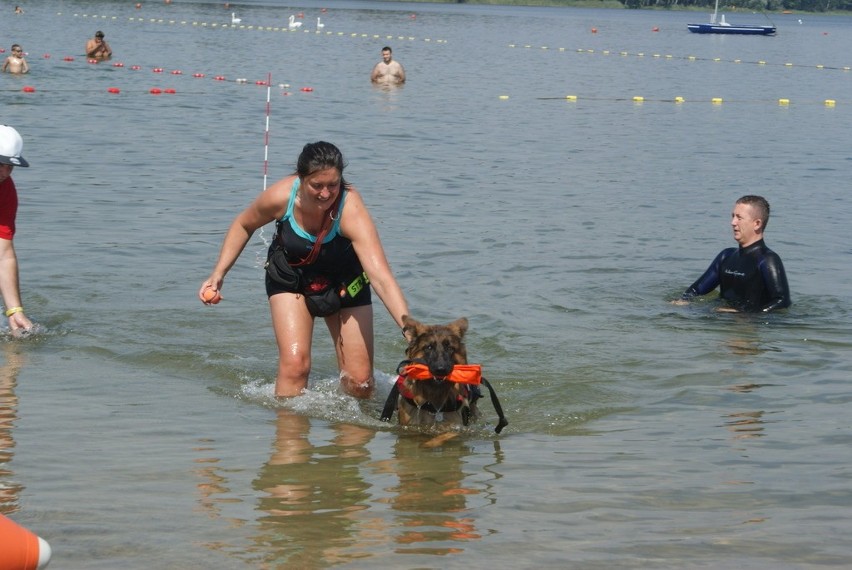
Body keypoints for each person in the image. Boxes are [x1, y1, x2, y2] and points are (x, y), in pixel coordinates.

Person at [199, 142, 410, 399]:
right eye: (317, 186)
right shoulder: (281, 196)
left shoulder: (351, 209)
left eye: (333, 185)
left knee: (361, 383)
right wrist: (219, 273)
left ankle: (353, 436)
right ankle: (289, 433)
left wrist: (409, 329)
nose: (325, 193)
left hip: (344, 281)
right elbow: (244, 225)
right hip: (291, 278)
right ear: (301, 178)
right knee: (295, 367)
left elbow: (381, 277)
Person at [674, 195, 790, 313]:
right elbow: (696, 290)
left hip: (750, 325)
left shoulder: (767, 259)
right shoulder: (726, 256)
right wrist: (682, 300)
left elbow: (782, 302)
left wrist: (744, 315)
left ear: (757, 224)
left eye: (739, 218)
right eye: (733, 216)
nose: (733, 222)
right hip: (722, 320)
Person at [0, 125, 34, 336]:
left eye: (9, 167)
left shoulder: (5, 191)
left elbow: (3, 254)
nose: (4, 173)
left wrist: (14, 310)